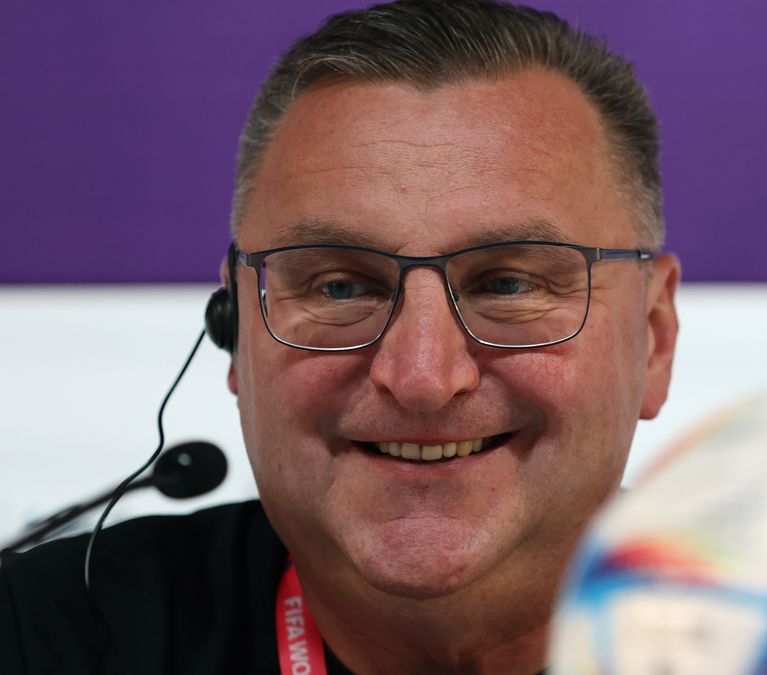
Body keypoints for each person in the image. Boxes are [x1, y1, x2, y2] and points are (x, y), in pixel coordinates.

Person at [0, 1, 680, 673]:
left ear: (653, 338)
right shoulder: (38, 633)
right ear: (235, 329)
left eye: (506, 284)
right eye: (341, 287)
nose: (420, 377)